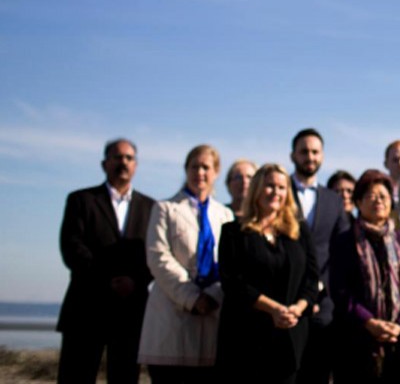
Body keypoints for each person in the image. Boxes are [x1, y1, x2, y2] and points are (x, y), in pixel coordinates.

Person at [57, 138, 155, 384]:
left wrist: (135, 281)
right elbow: (72, 248)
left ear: (136, 165)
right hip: (86, 308)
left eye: (129, 158)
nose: (123, 162)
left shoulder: (151, 207)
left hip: (131, 311)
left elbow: (156, 253)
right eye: (117, 157)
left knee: (125, 378)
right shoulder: (81, 200)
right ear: (104, 163)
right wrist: (107, 280)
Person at [138, 144, 233, 383]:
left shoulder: (225, 215)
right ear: (186, 169)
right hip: (172, 316)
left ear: (216, 171)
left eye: (205, 167)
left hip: (213, 314)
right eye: (194, 167)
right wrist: (192, 297)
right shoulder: (165, 209)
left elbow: (231, 264)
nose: (199, 172)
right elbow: (158, 257)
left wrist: (213, 294)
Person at [216, 163, 319, 383]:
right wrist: (274, 309)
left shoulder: (299, 232)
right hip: (246, 338)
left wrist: (297, 309)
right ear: (256, 189)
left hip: (291, 337)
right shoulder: (233, 232)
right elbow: (233, 283)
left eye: (282, 187)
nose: (276, 192)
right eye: (270, 185)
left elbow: (311, 279)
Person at [330, 169, 400, 384]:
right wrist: (369, 322)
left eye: (383, 196)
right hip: (358, 342)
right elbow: (340, 291)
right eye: (370, 196)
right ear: (358, 202)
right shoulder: (345, 241)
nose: (378, 201)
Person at [290, 128, 352, 384]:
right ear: (293, 155)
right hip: (286, 301)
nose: (310, 157)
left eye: (315, 152)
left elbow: (342, 250)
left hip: (323, 304)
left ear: (322, 156)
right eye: (304, 151)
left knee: (317, 373)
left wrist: (321, 289)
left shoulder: (333, 200)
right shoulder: (278, 192)